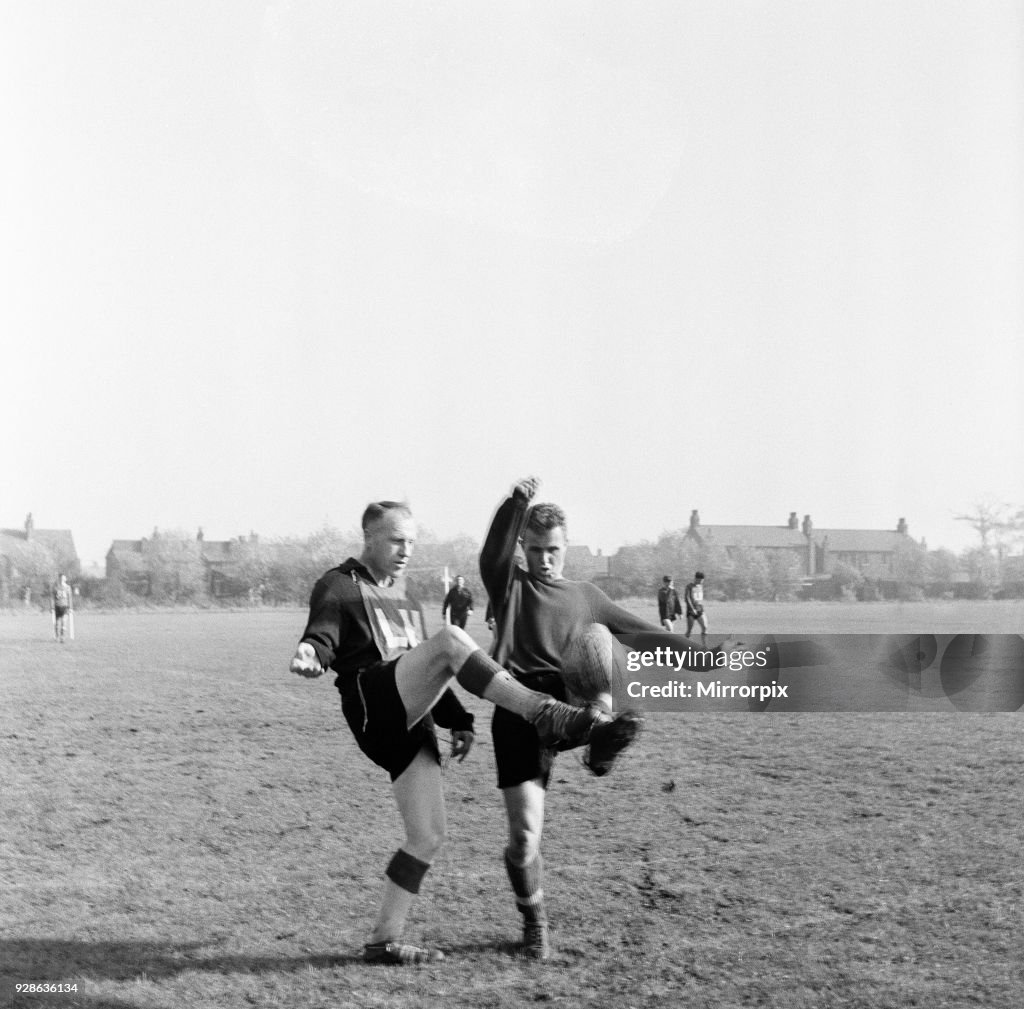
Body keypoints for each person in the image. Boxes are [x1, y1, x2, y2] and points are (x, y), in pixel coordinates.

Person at [289, 500, 639, 966]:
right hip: (373, 703)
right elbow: (323, 633)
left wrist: (459, 718)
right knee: (454, 639)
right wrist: (311, 653)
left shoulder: (404, 596)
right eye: (396, 540)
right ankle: (548, 714)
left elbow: (423, 665)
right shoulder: (338, 584)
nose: (405, 550)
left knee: (428, 835)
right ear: (369, 537)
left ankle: (383, 940)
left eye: (411, 541)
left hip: (408, 722)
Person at [481, 477, 696, 960]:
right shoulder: (510, 583)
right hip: (519, 710)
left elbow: (643, 634)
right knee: (522, 838)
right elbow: (492, 554)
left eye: (552, 550)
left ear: (565, 547)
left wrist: (705, 659)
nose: (544, 559)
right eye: (534, 549)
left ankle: (598, 730)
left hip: (572, 702)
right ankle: (533, 919)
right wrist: (516, 504)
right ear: (524, 547)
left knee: (599, 642)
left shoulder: (585, 595)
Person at [685, 571, 709, 644]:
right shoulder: (689, 586)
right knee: (689, 630)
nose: (701, 582)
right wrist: (692, 609)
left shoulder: (700, 587)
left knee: (705, 627)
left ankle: (704, 647)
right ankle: (686, 646)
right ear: (695, 579)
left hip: (700, 610)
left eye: (702, 580)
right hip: (691, 611)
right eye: (700, 580)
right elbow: (687, 598)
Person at [51, 574, 73, 643]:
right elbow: (52, 598)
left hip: (65, 607)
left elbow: (69, 598)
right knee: (57, 623)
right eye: (60, 578)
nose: (62, 579)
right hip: (57, 606)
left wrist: (70, 608)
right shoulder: (55, 587)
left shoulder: (68, 587)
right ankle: (57, 636)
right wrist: (52, 607)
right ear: (58, 579)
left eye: (63, 578)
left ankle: (62, 637)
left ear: (65, 579)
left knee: (64, 622)